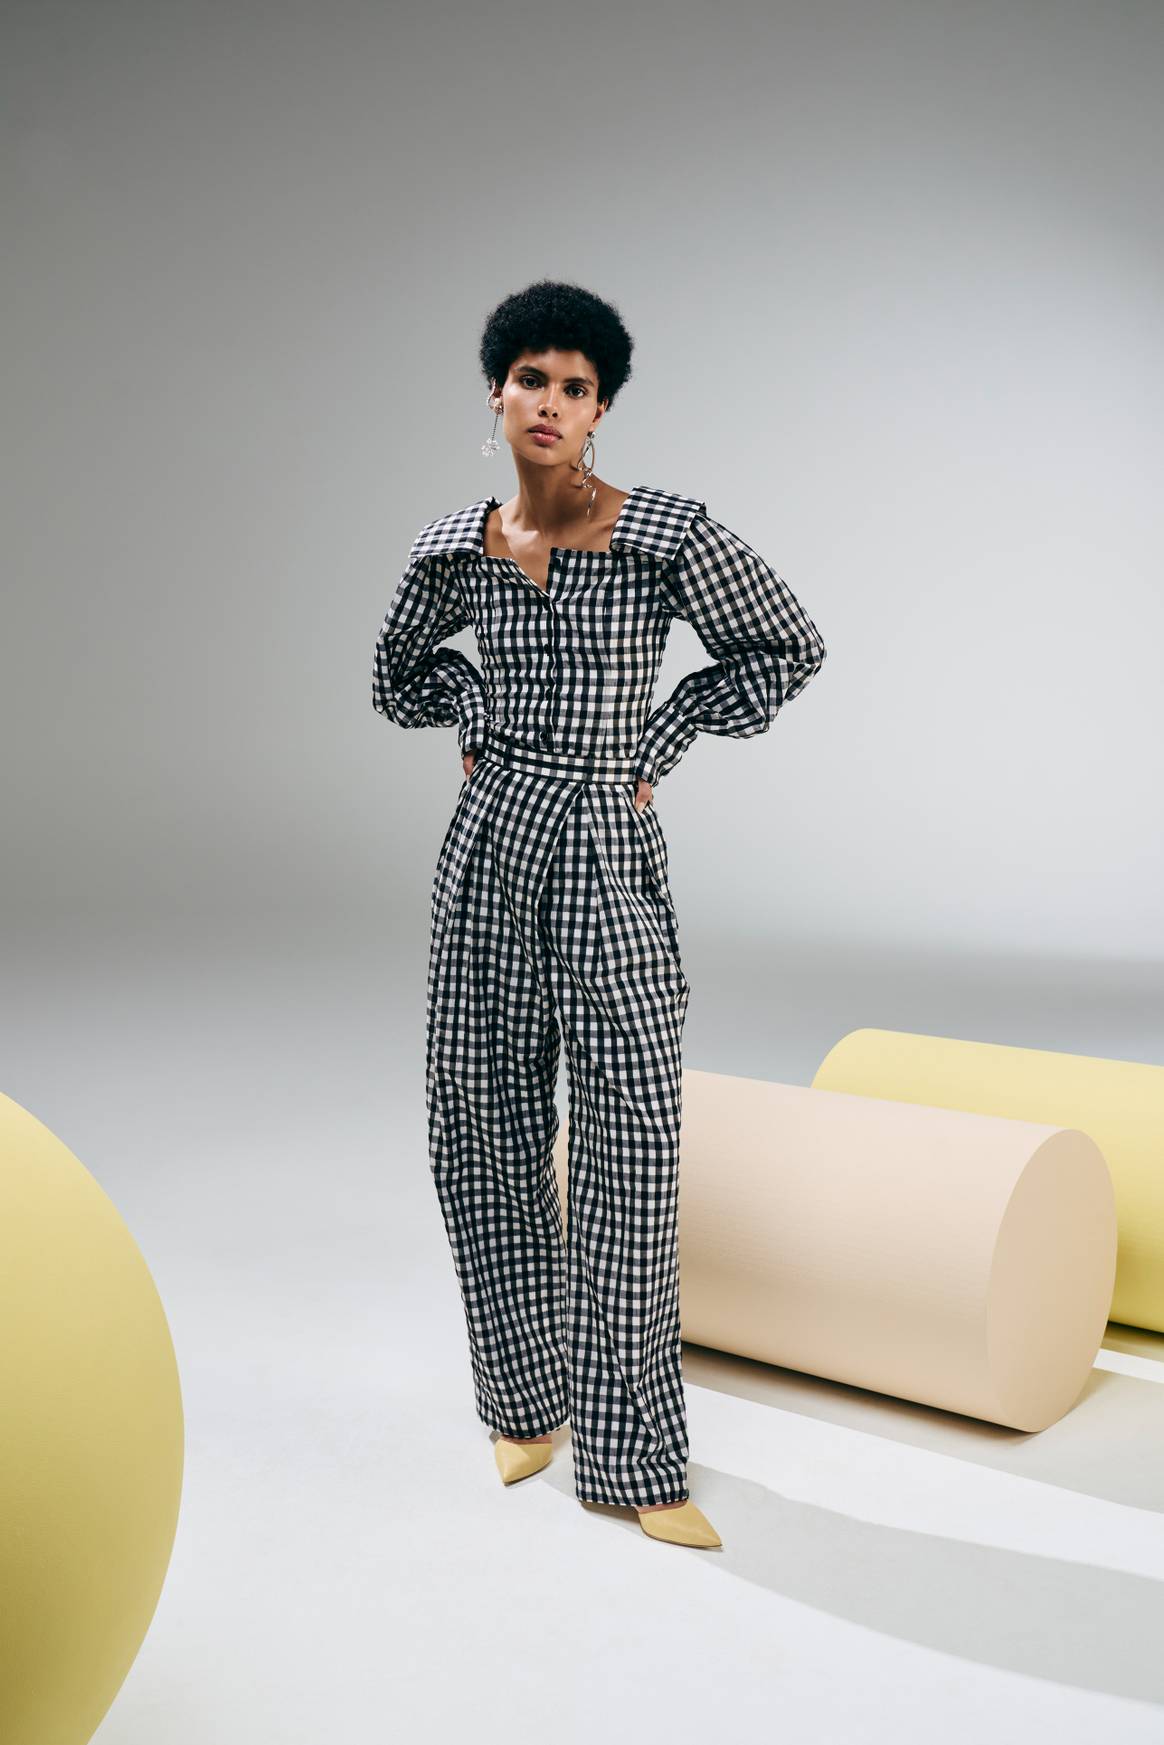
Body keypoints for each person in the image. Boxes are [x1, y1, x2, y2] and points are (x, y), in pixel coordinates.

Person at [372, 279, 827, 1550]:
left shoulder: (666, 533)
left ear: (601, 410)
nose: (552, 402)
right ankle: (524, 1400)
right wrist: (473, 710)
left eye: (577, 387)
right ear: (497, 392)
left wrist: (660, 739)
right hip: (488, 844)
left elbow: (786, 644)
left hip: (604, 843)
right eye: (532, 378)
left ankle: (635, 1456)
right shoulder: (452, 547)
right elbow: (397, 677)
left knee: (630, 1134)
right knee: (480, 1121)